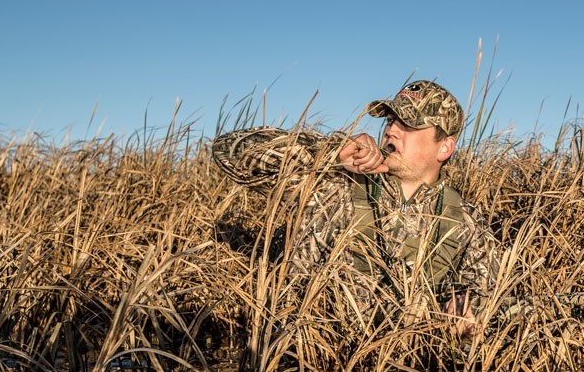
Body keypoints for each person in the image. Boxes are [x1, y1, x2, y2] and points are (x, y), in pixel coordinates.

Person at [212, 80, 500, 335]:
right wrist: (329, 152)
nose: (391, 131)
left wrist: (470, 306)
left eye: (409, 125)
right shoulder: (334, 185)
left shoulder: (464, 219)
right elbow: (229, 152)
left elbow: (491, 294)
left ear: (444, 148)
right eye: (390, 120)